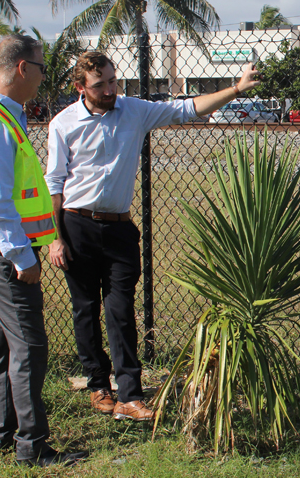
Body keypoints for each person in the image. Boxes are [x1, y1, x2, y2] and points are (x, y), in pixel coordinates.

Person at [45, 51, 260, 421]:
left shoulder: (134, 110)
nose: (111, 89)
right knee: (85, 309)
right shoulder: (63, 123)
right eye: (101, 85)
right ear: (81, 87)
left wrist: (236, 89)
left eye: (114, 81)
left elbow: (186, 108)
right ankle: (99, 386)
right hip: (76, 224)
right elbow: (54, 183)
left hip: (119, 228)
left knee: (121, 311)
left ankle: (129, 395)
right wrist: (55, 238)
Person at [0, 35, 88, 467]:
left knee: (2, 348)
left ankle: (0, 436)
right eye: (39, 68)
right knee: (30, 349)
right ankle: (31, 447)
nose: (41, 77)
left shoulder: (0, 116)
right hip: (5, 259)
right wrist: (23, 257)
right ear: (21, 69)